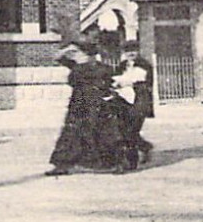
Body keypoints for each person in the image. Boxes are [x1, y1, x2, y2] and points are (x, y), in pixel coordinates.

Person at [47, 40, 126, 175]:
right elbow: (56, 58)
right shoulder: (78, 66)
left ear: (87, 54)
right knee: (72, 134)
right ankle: (63, 165)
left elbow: (108, 85)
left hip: (95, 104)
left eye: (78, 53)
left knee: (102, 133)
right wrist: (68, 50)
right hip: (80, 103)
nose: (74, 55)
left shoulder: (96, 68)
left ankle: (116, 163)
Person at [111, 44, 153, 169]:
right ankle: (144, 147)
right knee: (125, 129)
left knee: (132, 130)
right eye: (128, 51)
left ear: (138, 51)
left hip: (140, 101)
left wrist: (121, 81)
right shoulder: (122, 65)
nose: (131, 53)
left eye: (133, 51)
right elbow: (115, 79)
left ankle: (131, 162)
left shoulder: (144, 65)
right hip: (124, 100)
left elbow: (138, 79)